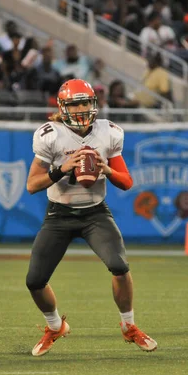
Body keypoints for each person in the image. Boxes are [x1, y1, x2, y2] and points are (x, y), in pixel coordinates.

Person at [25, 78, 157, 357]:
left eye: (86, 102)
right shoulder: (50, 134)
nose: (83, 109)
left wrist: (107, 170)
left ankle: (129, 326)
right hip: (58, 215)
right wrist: (61, 169)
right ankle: (55, 326)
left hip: (95, 213)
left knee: (119, 265)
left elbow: (127, 182)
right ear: (63, 107)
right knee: (35, 280)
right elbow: (32, 185)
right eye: (76, 104)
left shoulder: (108, 132)